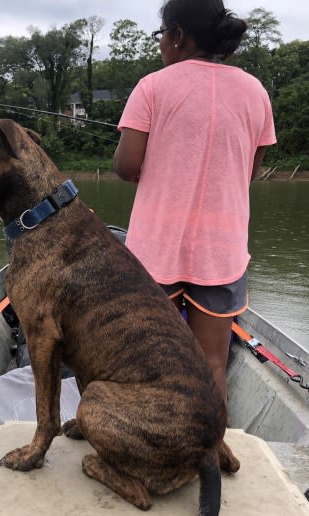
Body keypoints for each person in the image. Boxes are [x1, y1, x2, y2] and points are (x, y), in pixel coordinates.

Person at [113, 0, 276, 404]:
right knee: (213, 363)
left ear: (178, 37)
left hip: (156, 250)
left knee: (145, 358)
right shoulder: (255, 91)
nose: (160, 46)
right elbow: (250, 171)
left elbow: (126, 166)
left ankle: (148, 447)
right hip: (222, 253)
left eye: (161, 35)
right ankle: (213, 454)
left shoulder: (152, 86)